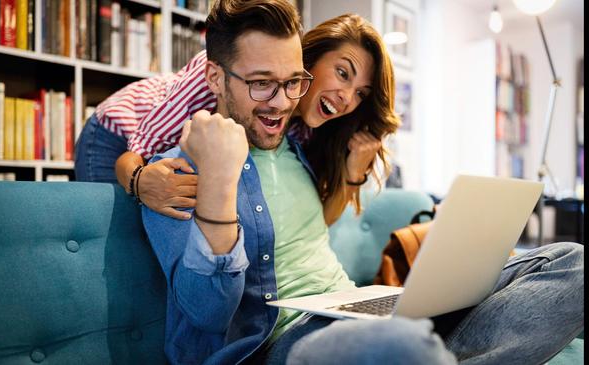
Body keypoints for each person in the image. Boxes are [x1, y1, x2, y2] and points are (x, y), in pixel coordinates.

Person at [143, 1, 584, 365]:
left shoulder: (300, 146)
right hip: (283, 343)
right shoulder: (174, 172)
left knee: (572, 261)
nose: (280, 102)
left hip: (355, 308)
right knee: (397, 347)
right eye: (261, 84)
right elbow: (206, 314)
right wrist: (216, 181)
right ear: (216, 77)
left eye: (293, 81)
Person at [74, 11, 399, 225]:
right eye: (343, 73)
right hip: (117, 132)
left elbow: (313, 221)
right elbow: (135, 152)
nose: (347, 98)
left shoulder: (308, 130)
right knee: (122, 245)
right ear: (309, 57)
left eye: (361, 93)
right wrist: (139, 181)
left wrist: (353, 173)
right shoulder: (219, 79)